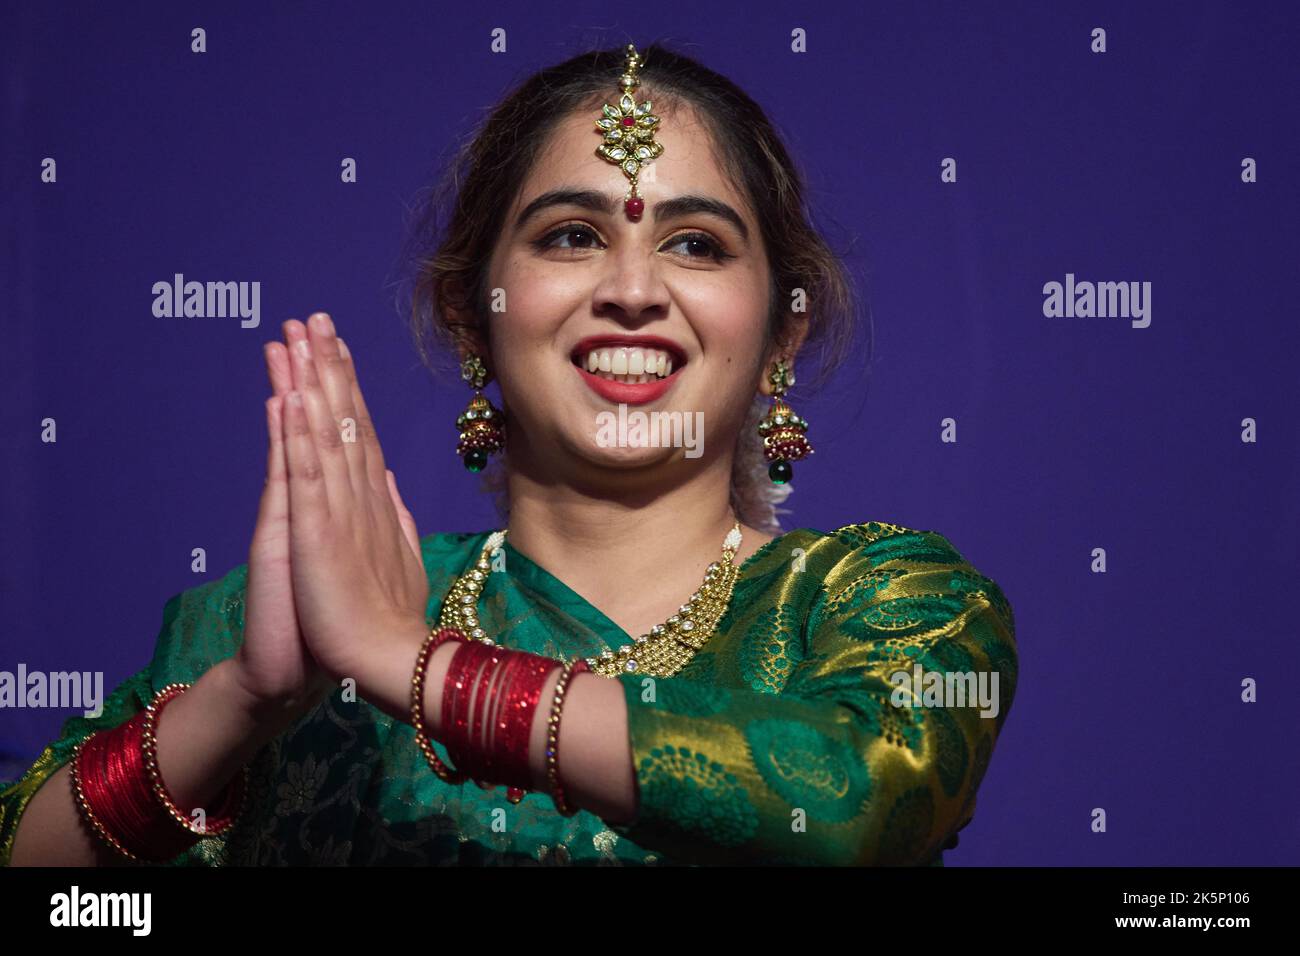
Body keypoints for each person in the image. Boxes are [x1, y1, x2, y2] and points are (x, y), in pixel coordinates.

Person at [1, 42, 1017, 867]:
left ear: (781, 334)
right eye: (570, 235)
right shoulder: (271, 632)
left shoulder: (882, 602)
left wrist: (412, 665)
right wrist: (241, 704)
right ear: (470, 316)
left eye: (696, 242)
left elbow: (853, 803)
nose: (631, 288)